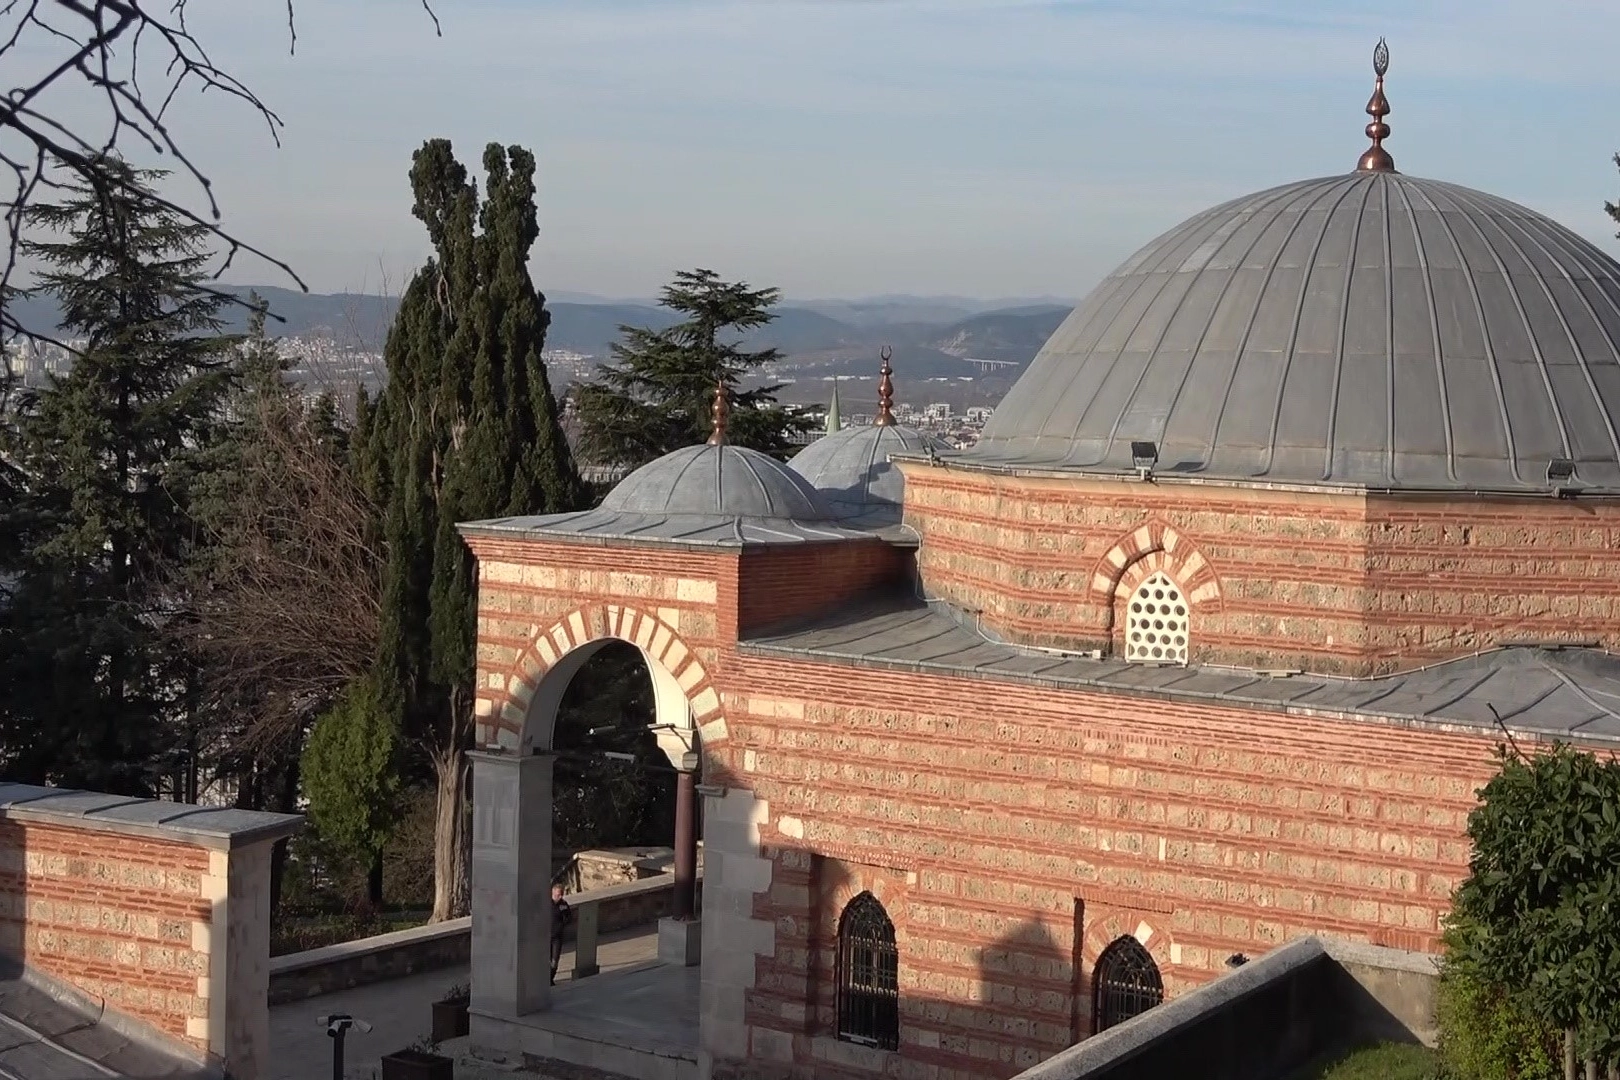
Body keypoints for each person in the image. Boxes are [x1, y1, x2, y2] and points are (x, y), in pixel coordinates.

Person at [549, 884, 572, 985]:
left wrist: (563, 922)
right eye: (558, 895)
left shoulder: (563, 905)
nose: (560, 897)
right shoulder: (546, 904)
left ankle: (550, 978)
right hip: (545, 936)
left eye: (561, 894)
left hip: (557, 936)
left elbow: (569, 917)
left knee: (554, 960)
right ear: (553, 893)